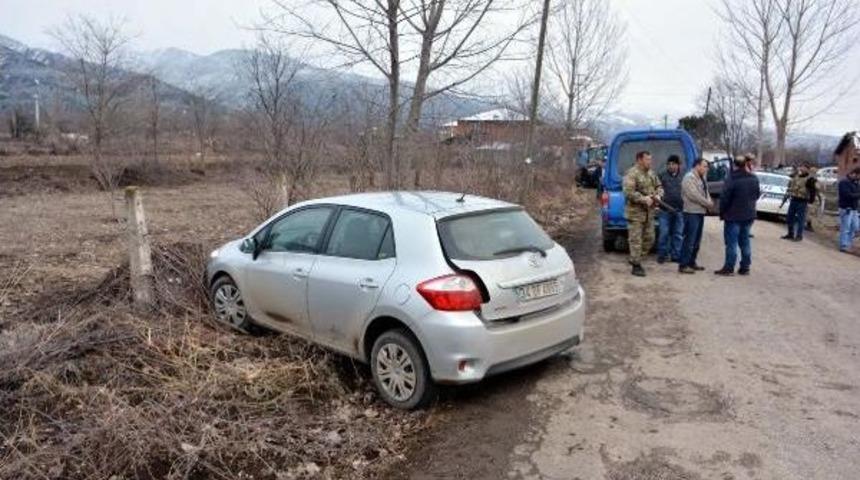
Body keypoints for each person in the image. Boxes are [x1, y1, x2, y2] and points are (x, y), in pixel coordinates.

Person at [715, 157, 761, 276]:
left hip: (733, 215)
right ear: (745, 164)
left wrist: (722, 212)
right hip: (748, 215)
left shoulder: (731, 179)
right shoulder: (754, 178)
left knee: (732, 243)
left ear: (734, 165)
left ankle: (729, 267)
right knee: (745, 241)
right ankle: (745, 267)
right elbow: (757, 195)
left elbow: (725, 198)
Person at [623, 150, 662, 277]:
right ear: (639, 160)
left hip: (649, 214)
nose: (650, 162)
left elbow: (659, 186)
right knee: (636, 240)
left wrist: (658, 195)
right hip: (635, 214)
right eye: (647, 159)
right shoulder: (631, 173)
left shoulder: (651, 173)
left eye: (650, 159)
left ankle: (635, 258)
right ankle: (636, 265)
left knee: (650, 239)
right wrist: (643, 199)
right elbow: (628, 192)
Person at [678, 158, 713, 274]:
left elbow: (706, 191)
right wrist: (707, 203)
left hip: (700, 212)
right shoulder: (689, 178)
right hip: (691, 212)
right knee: (689, 239)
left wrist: (709, 200)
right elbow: (693, 195)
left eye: (707, 167)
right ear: (697, 166)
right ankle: (683, 264)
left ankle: (692, 262)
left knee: (697, 240)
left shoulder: (702, 178)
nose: (706, 169)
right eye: (704, 166)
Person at [656, 155, 684, 263]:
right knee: (664, 233)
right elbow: (657, 190)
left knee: (677, 234)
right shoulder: (662, 176)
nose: (671, 166)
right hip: (665, 210)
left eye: (673, 164)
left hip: (679, 210)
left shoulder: (683, 176)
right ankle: (662, 255)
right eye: (669, 164)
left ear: (678, 165)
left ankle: (676, 255)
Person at [782, 163, 813, 241]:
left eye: (804, 167)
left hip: (802, 201)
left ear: (807, 169)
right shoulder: (796, 177)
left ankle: (799, 235)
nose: (801, 169)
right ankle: (790, 233)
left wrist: (810, 202)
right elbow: (791, 187)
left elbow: (813, 191)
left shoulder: (810, 179)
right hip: (794, 199)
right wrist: (788, 195)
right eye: (801, 167)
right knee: (789, 217)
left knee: (800, 219)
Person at [837, 168, 860, 253]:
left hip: (854, 209)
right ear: (853, 173)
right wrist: (858, 195)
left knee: (855, 226)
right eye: (858, 176)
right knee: (846, 227)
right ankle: (844, 245)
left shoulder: (856, 183)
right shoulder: (844, 183)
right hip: (846, 208)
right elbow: (847, 195)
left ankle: (849, 243)